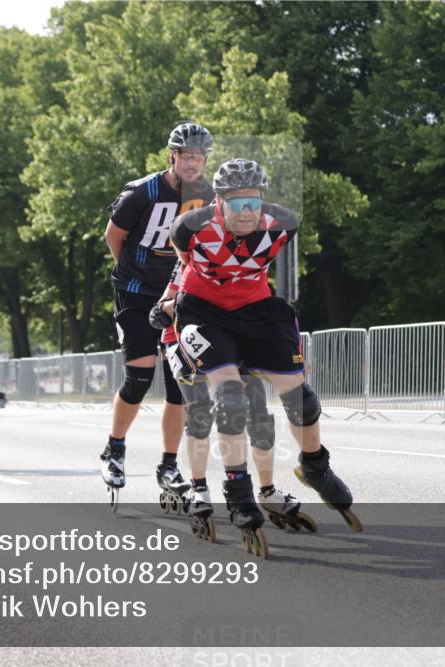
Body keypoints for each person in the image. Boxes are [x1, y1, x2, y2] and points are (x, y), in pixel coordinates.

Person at [170, 158, 361, 546]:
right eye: (237, 203)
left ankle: (313, 466)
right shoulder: (190, 227)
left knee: (303, 400)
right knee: (230, 400)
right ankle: (239, 493)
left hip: (258, 310)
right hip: (205, 312)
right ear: (218, 202)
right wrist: (168, 303)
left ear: (263, 201)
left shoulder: (284, 224)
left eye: (253, 202)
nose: (246, 212)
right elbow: (184, 265)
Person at [150, 263, 316, 538]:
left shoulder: (248, 257)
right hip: (183, 338)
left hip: (232, 338)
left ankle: (267, 491)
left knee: (259, 415)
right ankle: (199, 489)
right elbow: (162, 306)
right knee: (201, 412)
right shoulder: (192, 258)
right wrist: (165, 310)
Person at [100, 122, 215, 495]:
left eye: (199, 157)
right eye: (187, 156)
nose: (193, 164)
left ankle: (168, 466)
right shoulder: (142, 192)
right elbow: (113, 237)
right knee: (139, 377)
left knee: (180, 384)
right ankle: (115, 449)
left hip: (178, 295)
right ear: (173, 156)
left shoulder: (208, 195)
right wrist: (135, 271)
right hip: (134, 291)